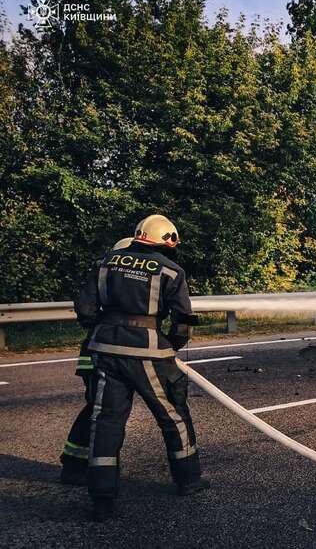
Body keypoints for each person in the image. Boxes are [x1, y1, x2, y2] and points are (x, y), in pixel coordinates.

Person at [75, 214, 207, 522]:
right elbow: (183, 321)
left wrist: (103, 329)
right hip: (148, 350)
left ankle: (102, 498)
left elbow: (84, 307)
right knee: (172, 413)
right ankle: (188, 479)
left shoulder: (106, 262)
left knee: (104, 421)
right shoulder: (171, 271)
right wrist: (170, 346)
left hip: (105, 349)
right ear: (166, 240)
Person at [60, 237, 133, 486]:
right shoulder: (113, 277)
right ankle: (79, 466)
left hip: (98, 350)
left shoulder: (106, 276)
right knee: (101, 413)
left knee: (100, 411)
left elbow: (86, 309)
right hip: (100, 353)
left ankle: (82, 463)